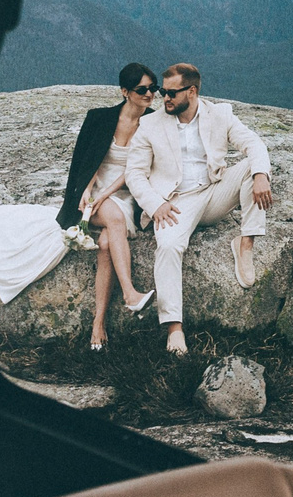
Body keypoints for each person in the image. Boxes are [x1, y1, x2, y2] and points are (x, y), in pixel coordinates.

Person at [126, 61, 274, 356]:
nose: (163, 98)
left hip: (213, 191)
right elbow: (134, 173)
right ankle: (174, 328)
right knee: (167, 247)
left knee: (252, 169)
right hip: (176, 202)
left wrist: (260, 175)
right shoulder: (150, 124)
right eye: (161, 91)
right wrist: (156, 204)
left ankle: (245, 243)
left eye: (171, 93)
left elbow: (253, 144)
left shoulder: (220, 114)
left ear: (191, 92)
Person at [56, 61, 160, 351]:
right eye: (142, 89)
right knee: (113, 222)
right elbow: (83, 160)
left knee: (105, 244)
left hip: (127, 193)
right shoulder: (99, 118)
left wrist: (107, 195)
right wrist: (88, 191)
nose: (150, 94)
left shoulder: (154, 123)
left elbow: (138, 169)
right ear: (125, 91)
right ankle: (130, 293)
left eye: (154, 88)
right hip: (92, 191)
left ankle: (98, 323)